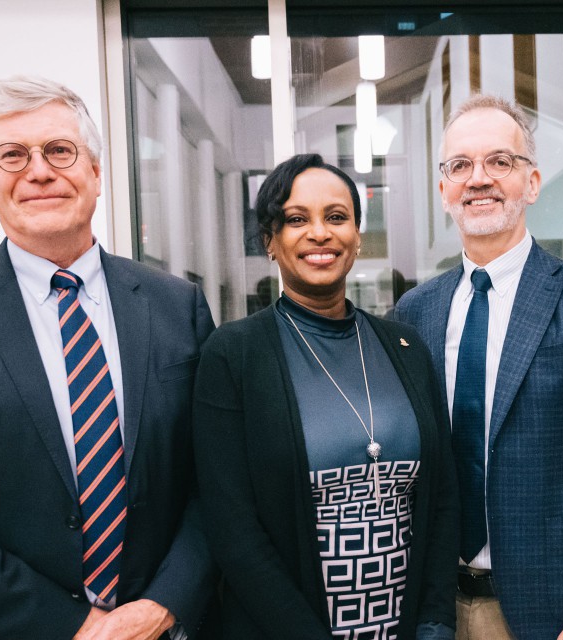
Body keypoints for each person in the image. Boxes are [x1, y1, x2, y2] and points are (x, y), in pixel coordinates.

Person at [0, 76, 216, 640]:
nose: (39, 171)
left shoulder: (177, 306)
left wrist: (162, 605)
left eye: (59, 150)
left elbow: (212, 482)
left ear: (96, 173)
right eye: (12, 156)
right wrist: (72, 627)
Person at [393, 94, 563, 640]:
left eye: (499, 162)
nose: (478, 178)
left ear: (530, 182)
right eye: (460, 166)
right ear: (444, 192)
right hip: (432, 609)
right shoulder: (413, 313)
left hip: (552, 615)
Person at [192, 154, 458, 639]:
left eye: (337, 217)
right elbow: (234, 532)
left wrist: (437, 623)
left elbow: (441, 500)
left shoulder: (405, 347)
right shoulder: (233, 354)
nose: (320, 233)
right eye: (297, 219)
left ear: (357, 235)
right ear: (270, 241)